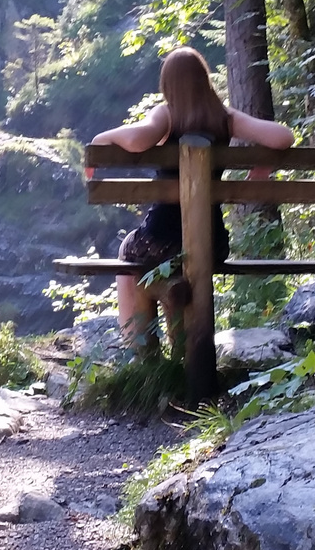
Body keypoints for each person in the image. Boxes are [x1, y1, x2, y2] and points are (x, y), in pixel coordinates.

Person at [89, 47, 293, 352]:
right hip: (211, 245)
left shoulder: (167, 113)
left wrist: (101, 140)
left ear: (168, 84)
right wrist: (262, 165)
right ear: (204, 80)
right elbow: (283, 137)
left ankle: (137, 351)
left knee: (128, 252)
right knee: (150, 264)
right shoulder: (225, 118)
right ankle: (180, 351)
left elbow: (136, 140)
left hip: (163, 240)